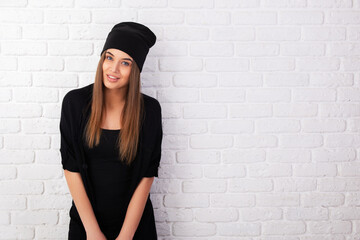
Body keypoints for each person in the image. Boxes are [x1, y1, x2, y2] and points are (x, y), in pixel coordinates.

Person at [59, 22, 163, 240]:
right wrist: (93, 232)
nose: (113, 69)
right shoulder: (75, 104)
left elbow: (147, 175)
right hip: (86, 225)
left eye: (125, 63)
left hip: (135, 227)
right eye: (109, 57)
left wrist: (126, 236)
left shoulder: (150, 111)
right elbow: (71, 168)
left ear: (135, 70)